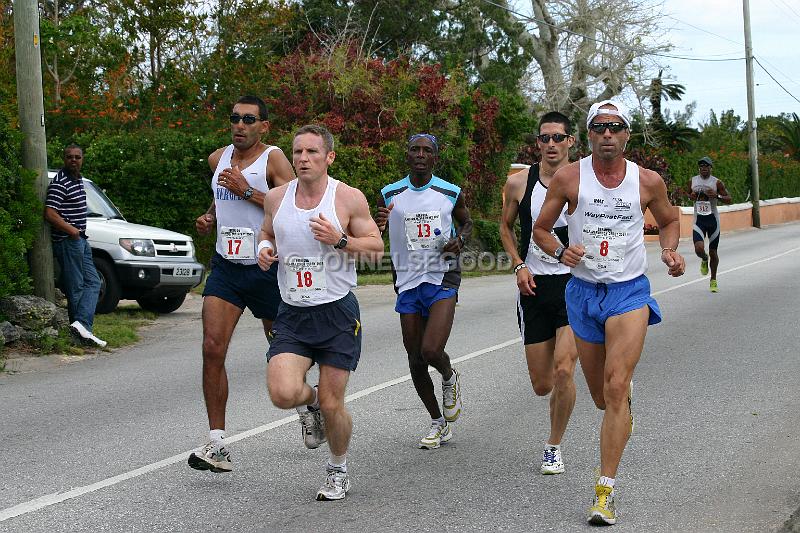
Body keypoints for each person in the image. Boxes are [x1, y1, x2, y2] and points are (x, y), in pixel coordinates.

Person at [533, 100, 685, 526]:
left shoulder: (647, 181)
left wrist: (670, 250)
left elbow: (670, 220)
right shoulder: (569, 177)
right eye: (599, 127)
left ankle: (604, 492)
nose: (607, 134)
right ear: (589, 134)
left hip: (628, 293)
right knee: (602, 397)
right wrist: (562, 251)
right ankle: (620, 404)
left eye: (615, 127)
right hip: (582, 293)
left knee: (616, 387)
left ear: (626, 135)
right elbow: (541, 230)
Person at [258, 124, 384, 501]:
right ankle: (308, 404)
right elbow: (266, 233)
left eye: (312, 152)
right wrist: (263, 250)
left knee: (334, 404)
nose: (303, 159)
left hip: (336, 313)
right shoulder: (276, 198)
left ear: (328, 157)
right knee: (282, 393)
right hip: (293, 312)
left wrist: (340, 240)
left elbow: (375, 248)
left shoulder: (346, 198)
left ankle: (338, 468)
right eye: (297, 152)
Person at [188, 95, 294, 473]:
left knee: (281, 350)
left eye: (249, 119)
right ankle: (217, 442)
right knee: (212, 347)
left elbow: (294, 205)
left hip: (265, 266)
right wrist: (209, 217)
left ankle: (305, 402)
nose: (240, 125)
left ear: (264, 126)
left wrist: (246, 191)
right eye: (234, 118)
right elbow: (220, 199)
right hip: (227, 268)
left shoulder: (274, 158)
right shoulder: (218, 159)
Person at [374, 133, 472, 450]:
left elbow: (467, 224)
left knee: (431, 351)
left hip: (442, 276)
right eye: (414, 149)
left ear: (435, 158)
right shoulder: (390, 193)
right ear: (407, 155)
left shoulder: (450, 192)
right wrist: (377, 225)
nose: (420, 154)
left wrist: (461, 240)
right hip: (407, 279)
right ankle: (438, 422)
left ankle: (448, 375)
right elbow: (375, 231)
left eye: (426, 150)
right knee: (415, 359)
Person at [499, 112, 579, 475]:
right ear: (538, 143)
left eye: (557, 138)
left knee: (565, 370)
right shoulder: (519, 183)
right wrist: (518, 264)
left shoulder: (586, 181)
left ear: (570, 141)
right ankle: (554, 420)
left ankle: (554, 445)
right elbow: (504, 227)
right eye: (544, 138)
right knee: (542, 383)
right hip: (534, 286)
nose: (550, 145)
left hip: (574, 285)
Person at [44, 145, 107, 348]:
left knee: (94, 282)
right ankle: (81, 331)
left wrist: (78, 234)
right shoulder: (60, 182)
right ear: (64, 159)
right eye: (69, 157)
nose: (74, 160)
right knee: (76, 287)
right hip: (68, 241)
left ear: (82, 159)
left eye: (77, 157)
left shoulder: (77, 179)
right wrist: (71, 231)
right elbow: (50, 213)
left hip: (80, 240)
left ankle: (81, 326)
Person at [688, 156, 731, 292]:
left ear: (710, 168)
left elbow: (729, 199)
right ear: (699, 168)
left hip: (713, 220)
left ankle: (713, 280)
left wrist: (717, 196)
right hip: (699, 220)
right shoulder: (693, 181)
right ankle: (704, 259)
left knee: (713, 252)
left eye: (706, 167)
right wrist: (691, 196)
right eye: (702, 167)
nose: (704, 169)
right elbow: (687, 193)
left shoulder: (717, 182)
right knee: (699, 249)